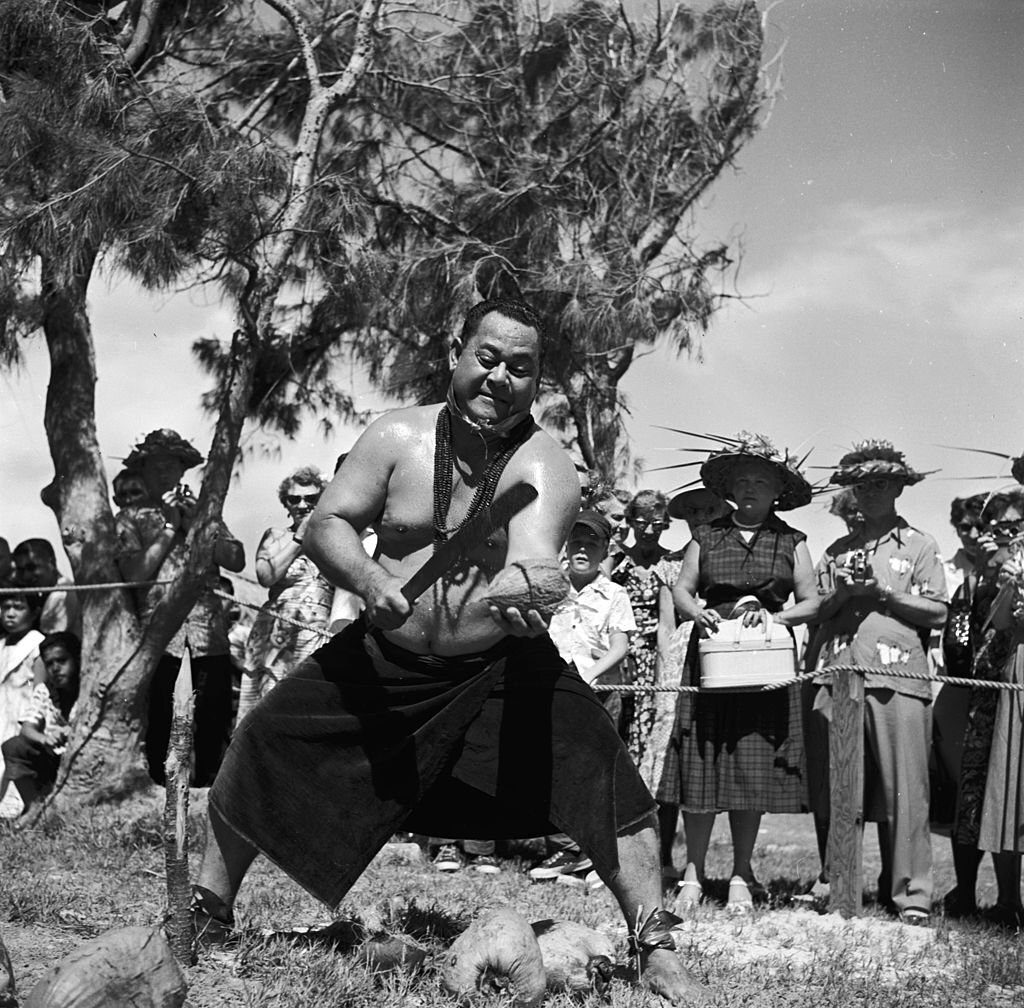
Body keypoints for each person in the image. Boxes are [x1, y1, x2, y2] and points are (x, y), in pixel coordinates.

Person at [193, 298, 706, 1005]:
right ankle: (207, 910)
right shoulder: (395, 435)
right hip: (384, 653)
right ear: (456, 355)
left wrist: (527, 590)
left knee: (605, 773)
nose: (499, 378)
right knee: (261, 741)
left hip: (499, 662)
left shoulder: (543, 463)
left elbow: (531, 554)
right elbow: (327, 524)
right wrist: (370, 578)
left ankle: (655, 946)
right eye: (487, 359)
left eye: (519, 369)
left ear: (536, 382)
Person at [657, 434, 818, 911]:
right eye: (741, 480)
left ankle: (742, 876)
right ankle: (692, 874)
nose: (749, 488)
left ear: (776, 491)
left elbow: (810, 601)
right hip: (712, 659)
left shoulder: (792, 541)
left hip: (766, 661)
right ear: (728, 488)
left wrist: (776, 618)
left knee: (751, 768)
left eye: (760, 481)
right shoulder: (705, 537)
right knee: (703, 765)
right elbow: (683, 590)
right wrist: (697, 612)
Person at [806, 439, 948, 924]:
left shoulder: (921, 544)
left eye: (881, 484)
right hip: (840, 675)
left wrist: (886, 595)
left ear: (898, 488)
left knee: (906, 790)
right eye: (862, 484)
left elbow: (939, 612)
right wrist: (841, 594)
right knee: (839, 787)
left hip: (901, 675)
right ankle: (840, 886)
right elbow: (816, 612)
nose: (870, 492)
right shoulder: (836, 550)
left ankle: (913, 895)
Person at [115, 428, 245, 787]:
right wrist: (170, 528)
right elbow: (135, 574)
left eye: (170, 465)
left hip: (209, 637)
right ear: (142, 470)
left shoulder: (204, 512)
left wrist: (196, 525)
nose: (163, 473)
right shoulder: (132, 518)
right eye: (155, 465)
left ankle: (210, 800)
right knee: (160, 723)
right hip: (159, 640)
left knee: (213, 722)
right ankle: (159, 800)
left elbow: (236, 559)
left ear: (182, 470)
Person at [534, 509, 637, 887]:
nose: (582, 549)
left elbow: (620, 645)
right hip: (552, 688)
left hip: (598, 690)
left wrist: (589, 673)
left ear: (604, 549)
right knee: (551, 767)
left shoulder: (614, 594)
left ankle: (596, 854)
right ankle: (565, 849)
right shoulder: (549, 587)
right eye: (575, 541)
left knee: (595, 771)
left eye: (591, 543)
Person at [939, 489, 1024, 927]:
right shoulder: (974, 577)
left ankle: (1010, 898)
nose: (1004, 535)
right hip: (981, 693)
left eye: (1014, 526)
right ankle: (968, 891)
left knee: (1012, 793)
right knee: (973, 792)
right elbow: (957, 641)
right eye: (998, 528)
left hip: (1015, 688)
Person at [239, 467, 333, 723]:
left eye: (311, 499)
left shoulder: (335, 538)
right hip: (276, 629)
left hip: (316, 630)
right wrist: (298, 538)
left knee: (307, 703)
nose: (303, 505)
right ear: (286, 503)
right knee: (269, 700)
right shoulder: (276, 536)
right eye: (295, 499)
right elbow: (266, 576)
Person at [611, 490, 684, 785]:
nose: (649, 530)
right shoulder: (616, 561)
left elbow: (669, 621)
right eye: (641, 522)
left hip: (656, 656)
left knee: (651, 727)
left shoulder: (671, 563)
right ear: (630, 522)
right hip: (620, 654)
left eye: (657, 523)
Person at [0, 632, 80, 814]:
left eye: (62, 661)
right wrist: (45, 738)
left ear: (76, 659)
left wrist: (68, 731)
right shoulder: (45, 690)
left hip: (81, 756)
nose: (56, 668)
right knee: (13, 746)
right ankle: (35, 810)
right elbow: (27, 729)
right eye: (50, 663)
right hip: (54, 758)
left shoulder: (87, 687)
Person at [0, 588, 45, 819]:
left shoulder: (37, 643)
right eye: (6, 607)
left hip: (21, 714)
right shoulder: (2, 643)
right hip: (1, 711)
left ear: (34, 612)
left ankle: (21, 812)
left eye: (18, 607)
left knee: (12, 763)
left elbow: (40, 689)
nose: (10, 613)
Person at [12, 539, 82, 638]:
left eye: (31, 567)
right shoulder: (47, 593)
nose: (26, 575)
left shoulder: (62, 594)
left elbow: (48, 641)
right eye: (21, 570)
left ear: (51, 563)